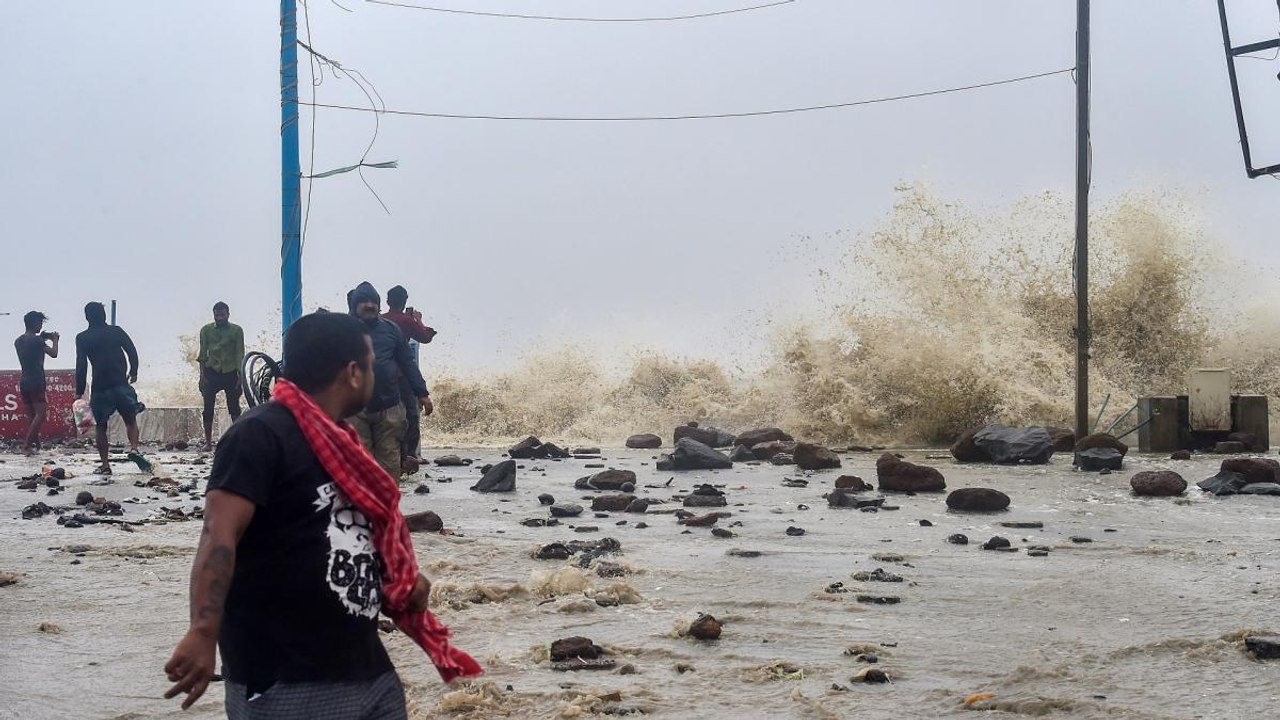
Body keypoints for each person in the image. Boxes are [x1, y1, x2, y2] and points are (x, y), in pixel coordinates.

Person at [162, 311, 480, 717]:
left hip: (367, 670)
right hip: (285, 678)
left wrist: (394, 582)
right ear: (352, 372)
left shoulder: (344, 443)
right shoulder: (258, 435)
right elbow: (217, 537)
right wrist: (203, 632)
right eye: (369, 364)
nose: (375, 374)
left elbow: (336, 535)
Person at [347, 282, 432, 477]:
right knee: (360, 464)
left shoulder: (392, 329)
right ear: (354, 305)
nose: (369, 305)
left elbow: (408, 363)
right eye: (363, 301)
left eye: (373, 301)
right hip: (355, 409)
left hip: (389, 407)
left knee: (389, 466)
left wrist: (423, 393)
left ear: (380, 303)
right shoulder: (342, 330)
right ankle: (362, 506)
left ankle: (388, 506)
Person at [75, 301, 143, 475]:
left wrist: (79, 389)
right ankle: (134, 448)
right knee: (130, 418)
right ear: (104, 315)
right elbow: (132, 351)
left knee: (101, 427)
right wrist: (133, 370)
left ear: (86, 317)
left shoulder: (82, 338)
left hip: (100, 387)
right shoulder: (116, 331)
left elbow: (81, 365)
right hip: (120, 383)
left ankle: (105, 465)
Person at [381, 285, 436, 465]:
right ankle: (411, 454)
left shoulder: (380, 320)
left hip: (381, 375)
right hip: (403, 374)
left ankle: (388, 451)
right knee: (411, 413)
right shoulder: (406, 321)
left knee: (385, 413)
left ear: (387, 301)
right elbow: (426, 337)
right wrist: (419, 320)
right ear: (404, 302)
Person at [197, 301, 246, 450]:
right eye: (217, 315)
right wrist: (202, 376)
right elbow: (203, 354)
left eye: (222, 314)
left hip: (231, 373)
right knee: (208, 408)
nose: (220, 317)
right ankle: (208, 442)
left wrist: (241, 376)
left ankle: (238, 440)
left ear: (228, 314)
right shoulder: (205, 330)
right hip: (212, 372)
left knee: (234, 407)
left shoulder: (237, 330)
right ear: (214, 314)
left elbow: (240, 353)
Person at [13, 311, 59, 455]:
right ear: (34, 323)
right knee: (41, 414)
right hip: (37, 381)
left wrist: (42, 337)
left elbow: (30, 347)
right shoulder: (38, 341)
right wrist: (55, 339)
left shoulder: (18, 341)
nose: (40, 326)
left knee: (32, 416)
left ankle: (37, 445)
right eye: (39, 323)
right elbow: (54, 353)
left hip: (24, 380)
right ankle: (27, 445)